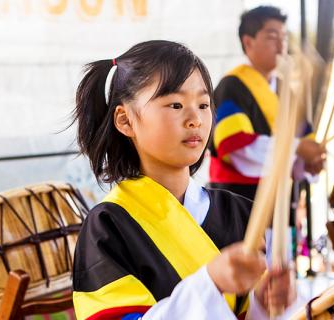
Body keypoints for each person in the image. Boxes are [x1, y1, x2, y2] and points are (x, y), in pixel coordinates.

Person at [71, 40, 295, 320]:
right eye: (176, 104)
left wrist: (264, 303)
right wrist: (211, 283)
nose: (196, 119)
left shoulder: (240, 212)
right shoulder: (108, 226)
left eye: (203, 104)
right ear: (125, 120)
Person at [208, 6, 325, 201]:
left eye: (285, 37)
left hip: (281, 199)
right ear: (248, 42)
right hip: (239, 200)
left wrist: (310, 161)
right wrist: (296, 148)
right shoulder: (232, 85)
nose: (281, 46)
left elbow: (304, 144)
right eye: (272, 37)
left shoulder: (285, 89)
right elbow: (236, 145)